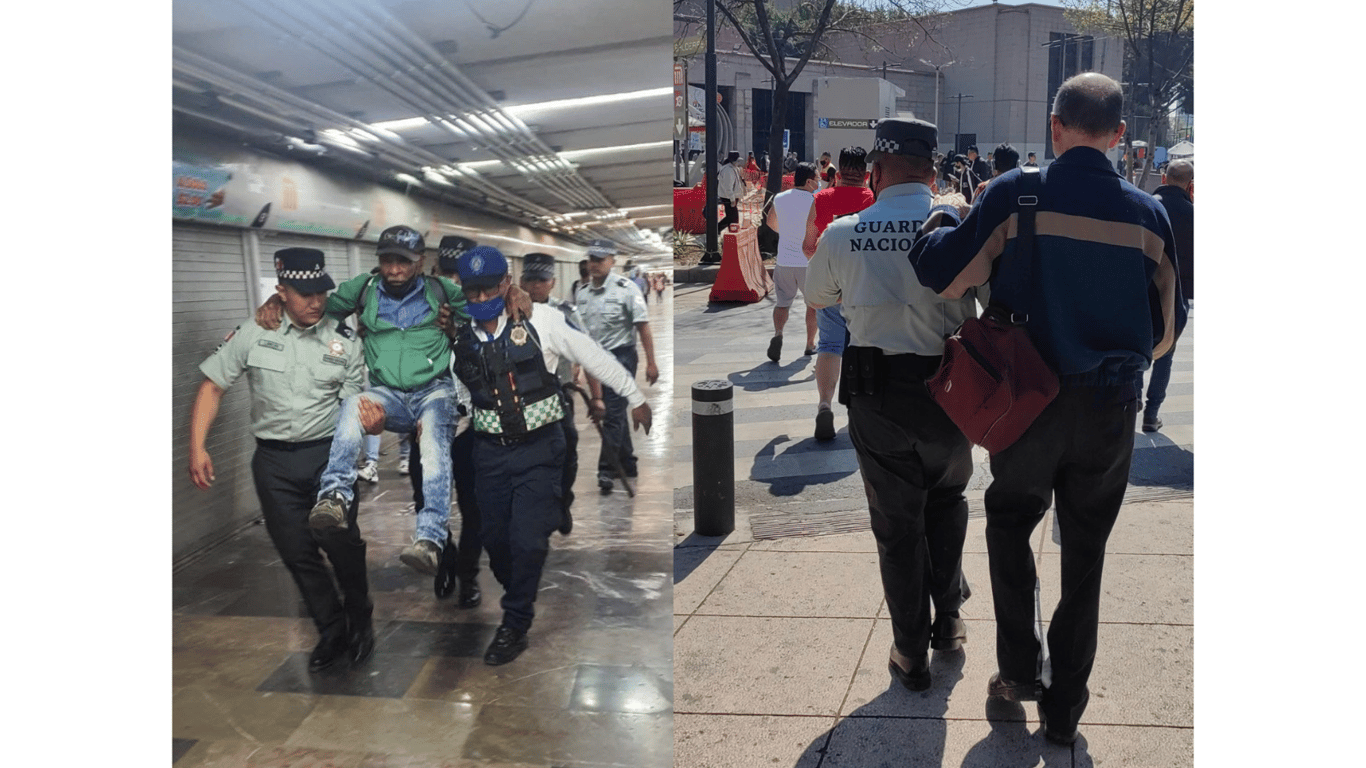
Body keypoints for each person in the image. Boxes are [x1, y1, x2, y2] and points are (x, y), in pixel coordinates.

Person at [909, 72, 1184, 745]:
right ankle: (1066, 708)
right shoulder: (1150, 216)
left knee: (1009, 523)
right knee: (1085, 550)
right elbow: (1167, 329)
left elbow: (945, 273)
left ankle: (1017, 672)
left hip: (1025, 402)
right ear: (1121, 136)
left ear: (1055, 126)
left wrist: (942, 216)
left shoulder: (1015, 194)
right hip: (1110, 408)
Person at [805, 119, 978, 695]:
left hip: (877, 393)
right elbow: (990, 299)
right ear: (933, 172)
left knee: (896, 525)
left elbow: (818, 297)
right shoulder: (960, 225)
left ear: (876, 173)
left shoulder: (843, 230)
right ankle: (949, 620)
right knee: (949, 500)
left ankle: (910, 651)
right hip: (952, 388)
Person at [448, 245, 654, 665]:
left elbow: (591, 354)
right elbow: (461, 388)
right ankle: (517, 587)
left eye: (487, 288)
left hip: (539, 448)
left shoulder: (542, 320)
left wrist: (634, 396)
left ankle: (516, 621)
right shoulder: (461, 333)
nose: (478, 299)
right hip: (488, 452)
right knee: (495, 540)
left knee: (527, 541)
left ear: (507, 284)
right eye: (470, 291)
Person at [189, 248, 377, 672]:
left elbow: (353, 408)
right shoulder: (255, 332)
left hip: (330, 459)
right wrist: (197, 446)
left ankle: (361, 621)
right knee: (297, 552)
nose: (316, 302)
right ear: (280, 290)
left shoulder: (344, 342)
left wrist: (371, 426)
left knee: (342, 546)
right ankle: (331, 631)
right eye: (304, 293)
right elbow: (212, 386)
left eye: (321, 293)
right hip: (273, 464)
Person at [252, 226, 476, 576]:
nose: (395, 270)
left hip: (434, 392)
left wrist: (511, 296)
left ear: (419, 263)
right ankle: (335, 496)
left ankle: (430, 539)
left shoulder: (441, 290)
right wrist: (277, 300)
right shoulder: (365, 290)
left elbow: (480, 312)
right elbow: (316, 307)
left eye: (404, 262)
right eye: (387, 261)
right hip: (387, 392)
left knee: (432, 445)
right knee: (353, 405)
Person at [408, 235, 486, 609]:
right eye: (447, 273)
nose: (454, 283)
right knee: (428, 504)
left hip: (473, 432)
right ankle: (446, 563)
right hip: (425, 433)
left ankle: (468, 576)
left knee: (476, 511)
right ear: (434, 273)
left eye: (463, 277)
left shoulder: (487, 318)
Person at [802, 146, 876, 441]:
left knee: (830, 344)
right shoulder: (875, 201)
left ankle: (824, 405)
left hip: (831, 285)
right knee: (865, 344)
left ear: (837, 173)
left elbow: (808, 245)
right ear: (867, 175)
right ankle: (862, 412)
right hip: (864, 287)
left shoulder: (820, 199)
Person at [575, 240, 659, 492]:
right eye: (591, 259)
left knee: (610, 413)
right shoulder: (582, 294)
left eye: (600, 260)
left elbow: (642, 326)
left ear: (613, 260)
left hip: (621, 358)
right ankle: (628, 462)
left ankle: (606, 469)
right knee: (617, 410)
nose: (594, 264)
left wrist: (651, 363)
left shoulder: (627, 289)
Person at [521, 251, 591, 535]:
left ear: (552, 282)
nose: (535, 286)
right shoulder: (506, 313)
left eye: (541, 280)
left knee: (567, 450)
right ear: (521, 282)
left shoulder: (566, 312)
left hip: (559, 394)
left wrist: (585, 380)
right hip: (519, 398)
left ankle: (562, 503)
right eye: (530, 280)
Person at [1144, 158, 1194, 432]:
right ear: (1191, 185)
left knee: (1136, 351)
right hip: (1176, 297)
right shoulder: (1195, 215)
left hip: (1141, 291)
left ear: (1164, 179)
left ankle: (1133, 404)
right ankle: (1151, 414)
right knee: (1166, 355)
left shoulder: (1147, 206)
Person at [765, 161, 820, 364]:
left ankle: (778, 334)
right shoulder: (817, 199)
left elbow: (770, 222)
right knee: (813, 305)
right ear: (808, 181)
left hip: (784, 261)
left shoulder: (780, 198)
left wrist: (786, 232)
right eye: (817, 179)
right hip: (809, 262)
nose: (819, 182)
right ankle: (809, 344)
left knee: (782, 303)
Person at [718, 150, 745, 233]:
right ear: (733, 160)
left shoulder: (733, 168)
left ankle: (722, 230)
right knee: (733, 218)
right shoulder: (728, 170)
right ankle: (716, 229)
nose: (738, 162)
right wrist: (732, 199)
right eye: (737, 160)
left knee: (731, 217)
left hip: (731, 197)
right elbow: (728, 187)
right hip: (728, 197)